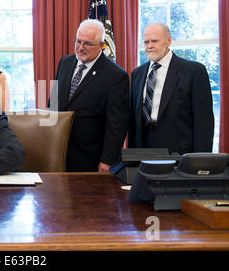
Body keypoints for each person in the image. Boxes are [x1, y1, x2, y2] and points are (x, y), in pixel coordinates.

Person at [49, 19, 129, 172]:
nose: (80, 47)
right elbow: (53, 102)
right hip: (57, 152)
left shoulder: (116, 76)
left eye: (87, 44)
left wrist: (107, 160)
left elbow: (117, 125)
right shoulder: (65, 62)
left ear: (102, 45)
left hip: (90, 157)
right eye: (78, 41)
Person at [128, 22, 214, 153]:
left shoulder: (194, 71)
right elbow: (133, 120)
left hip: (179, 152)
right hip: (143, 151)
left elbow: (203, 122)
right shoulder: (137, 74)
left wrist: (201, 160)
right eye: (146, 42)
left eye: (155, 41)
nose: (149, 46)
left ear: (168, 41)